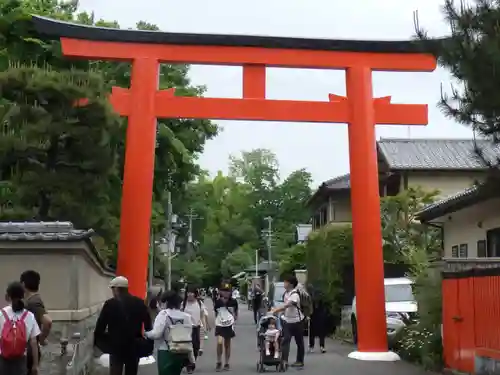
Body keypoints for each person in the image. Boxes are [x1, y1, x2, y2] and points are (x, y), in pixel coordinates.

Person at [94, 276, 152, 375]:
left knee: (115, 370)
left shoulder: (110, 304)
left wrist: (101, 343)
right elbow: (148, 325)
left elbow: (100, 326)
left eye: (112, 288)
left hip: (116, 345)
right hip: (134, 345)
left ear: (116, 289)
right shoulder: (139, 303)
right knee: (132, 371)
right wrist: (147, 343)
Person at [146, 290, 195, 375]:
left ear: (166, 302)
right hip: (181, 352)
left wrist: (145, 333)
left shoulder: (163, 314)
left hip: (166, 352)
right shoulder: (186, 317)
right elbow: (188, 337)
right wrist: (192, 359)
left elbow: (156, 334)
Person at [0, 281, 41, 375]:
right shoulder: (29, 315)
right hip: (20, 360)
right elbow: (34, 342)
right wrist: (35, 365)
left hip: (3, 360)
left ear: (7, 296)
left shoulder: (2, 314)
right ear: (23, 296)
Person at [20, 270, 52, 375]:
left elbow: (47, 321)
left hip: (29, 351)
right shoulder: (33, 300)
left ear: (23, 284)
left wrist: (41, 339)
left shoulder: (33, 302)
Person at [270, 275, 305, 369]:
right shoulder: (286, 293)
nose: (284, 284)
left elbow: (287, 305)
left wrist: (275, 310)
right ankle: (284, 360)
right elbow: (284, 306)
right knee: (286, 340)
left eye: (285, 282)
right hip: (287, 321)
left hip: (298, 321)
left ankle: (300, 361)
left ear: (291, 284)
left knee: (299, 342)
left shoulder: (295, 295)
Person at [182, 285, 210, 367]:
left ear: (195, 293)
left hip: (195, 327)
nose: (190, 294)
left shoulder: (199, 303)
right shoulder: (183, 303)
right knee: (186, 347)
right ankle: (189, 363)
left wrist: (204, 327)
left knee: (195, 347)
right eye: (188, 292)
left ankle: (192, 362)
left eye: (191, 292)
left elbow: (202, 316)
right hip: (185, 328)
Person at [213, 283, 238, 371]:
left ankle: (227, 363)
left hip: (229, 324)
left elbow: (236, 313)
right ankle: (219, 361)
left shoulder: (234, 301)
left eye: (228, 291)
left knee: (227, 344)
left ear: (230, 292)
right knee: (219, 342)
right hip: (220, 324)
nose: (226, 293)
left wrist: (233, 320)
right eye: (224, 291)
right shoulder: (218, 301)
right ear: (220, 291)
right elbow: (216, 313)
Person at [308, 288, 327, 353]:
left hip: (319, 317)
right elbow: (309, 308)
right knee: (312, 333)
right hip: (313, 317)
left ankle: (321, 346)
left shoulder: (321, 301)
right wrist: (308, 315)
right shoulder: (311, 300)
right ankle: (312, 346)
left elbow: (324, 309)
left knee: (321, 332)